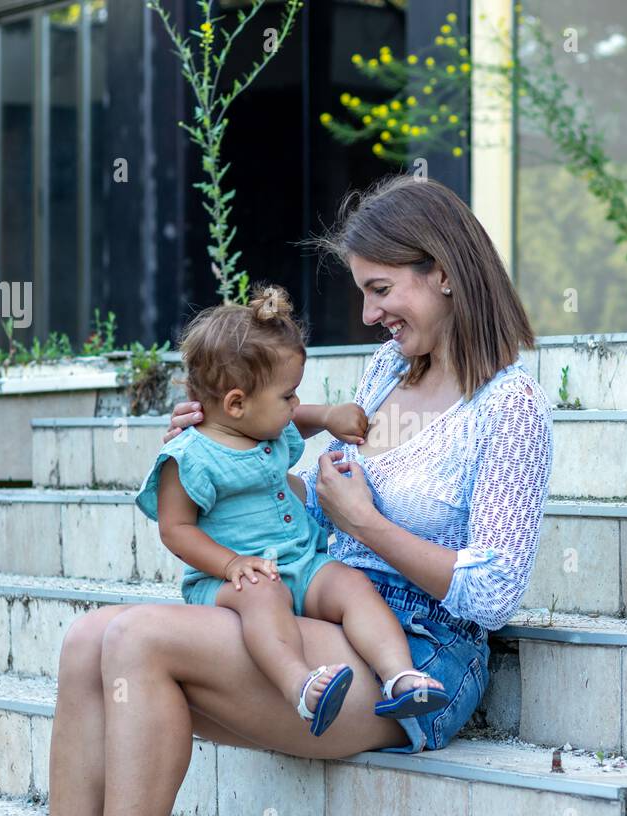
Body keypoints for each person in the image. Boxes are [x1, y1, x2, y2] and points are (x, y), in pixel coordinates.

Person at [45, 175, 554, 816]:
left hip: (419, 653)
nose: (370, 314)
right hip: (322, 599)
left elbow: (493, 593)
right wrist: (217, 448)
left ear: (443, 274)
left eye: (380, 290)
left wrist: (368, 525)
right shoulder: (388, 372)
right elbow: (309, 512)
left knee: (136, 638)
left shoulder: (508, 407)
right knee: (86, 643)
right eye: (364, 292)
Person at [133, 283, 451, 738]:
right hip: (234, 580)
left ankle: (401, 676)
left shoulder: (267, 430)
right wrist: (231, 564)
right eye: (289, 397)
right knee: (263, 597)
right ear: (236, 403)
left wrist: (326, 417)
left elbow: (292, 416)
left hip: (301, 564)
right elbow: (175, 529)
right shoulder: (190, 456)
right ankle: (299, 685)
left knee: (352, 584)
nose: (295, 406)